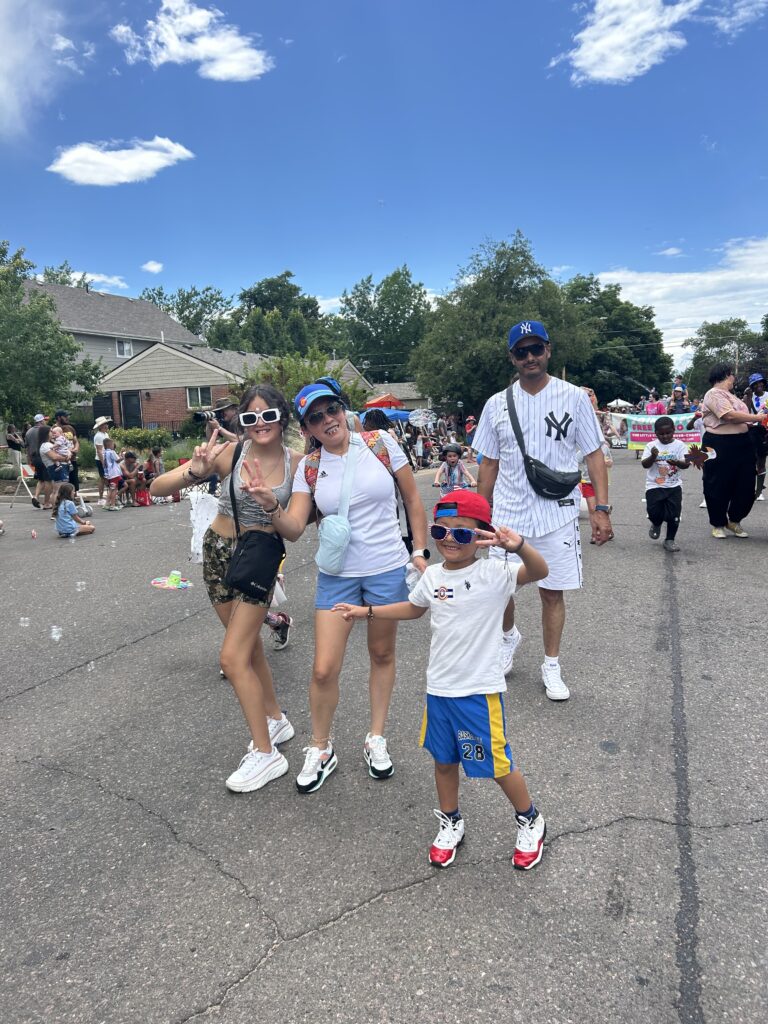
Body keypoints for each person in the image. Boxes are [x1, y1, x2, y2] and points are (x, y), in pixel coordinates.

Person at [333, 490, 549, 869]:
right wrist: (366, 611)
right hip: (439, 690)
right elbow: (414, 609)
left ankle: (530, 818)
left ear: (482, 537)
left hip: (478, 692)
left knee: (497, 764)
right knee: (444, 760)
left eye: (463, 533)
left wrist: (519, 547)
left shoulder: (495, 573)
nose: (450, 539)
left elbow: (539, 572)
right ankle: (451, 820)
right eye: (441, 530)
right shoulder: (432, 575)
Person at [242, 380, 429, 794]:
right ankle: (320, 747)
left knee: (382, 653)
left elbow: (413, 500)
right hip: (338, 577)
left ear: (343, 409)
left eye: (332, 410)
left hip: (387, 569)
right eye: (316, 417)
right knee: (324, 667)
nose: (328, 420)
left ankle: (375, 737)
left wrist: (419, 551)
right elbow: (293, 529)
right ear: (307, 427)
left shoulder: (380, 443)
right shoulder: (310, 467)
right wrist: (271, 504)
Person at [150, 385, 301, 792]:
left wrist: (272, 504)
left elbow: (297, 528)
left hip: (258, 560)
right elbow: (156, 489)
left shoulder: (299, 464)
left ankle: (267, 755)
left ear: (281, 417)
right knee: (248, 649)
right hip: (217, 553)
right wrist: (196, 471)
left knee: (232, 658)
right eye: (250, 418)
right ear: (242, 422)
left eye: (268, 416)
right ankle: (275, 718)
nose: (260, 425)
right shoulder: (230, 455)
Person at [473, 319, 612, 702]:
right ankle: (507, 638)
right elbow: (488, 464)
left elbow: (593, 454)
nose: (530, 357)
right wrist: (479, 516)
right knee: (500, 588)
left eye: (536, 349)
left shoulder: (573, 397)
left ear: (548, 350)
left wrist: (600, 508)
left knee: (552, 593)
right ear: (512, 357)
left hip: (557, 512)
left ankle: (551, 663)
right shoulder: (496, 404)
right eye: (522, 351)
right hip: (508, 513)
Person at [699, 363, 768, 539]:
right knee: (717, 483)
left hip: (742, 443)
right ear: (726, 375)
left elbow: (744, 416)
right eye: (732, 376)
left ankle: (735, 520)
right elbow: (728, 415)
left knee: (746, 483)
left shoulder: (733, 396)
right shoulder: (713, 394)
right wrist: (758, 417)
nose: (734, 379)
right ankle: (718, 523)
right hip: (718, 443)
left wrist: (757, 420)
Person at [640, 417, 692, 552]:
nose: (665, 436)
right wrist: (653, 456)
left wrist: (677, 463)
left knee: (674, 515)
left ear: (673, 431)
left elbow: (686, 464)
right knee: (653, 513)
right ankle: (656, 523)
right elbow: (645, 464)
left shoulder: (680, 445)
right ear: (656, 433)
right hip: (654, 486)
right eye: (661, 434)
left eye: (668, 433)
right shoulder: (651, 446)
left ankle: (670, 539)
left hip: (674, 486)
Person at [744, 372, 768, 501]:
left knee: (761, 460)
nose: (759, 385)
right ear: (751, 386)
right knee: (750, 461)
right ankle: (751, 488)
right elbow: (746, 413)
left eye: (760, 383)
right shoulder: (748, 397)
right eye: (755, 384)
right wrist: (748, 397)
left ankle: (759, 490)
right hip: (752, 431)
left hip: (765, 431)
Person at [38, 425, 70, 510]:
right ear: (46, 433)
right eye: (50, 431)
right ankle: (57, 512)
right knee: (58, 490)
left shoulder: (49, 444)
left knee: (58, 490)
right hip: (56, 468)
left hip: (58, 467)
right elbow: (54, 457)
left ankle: (57, 511)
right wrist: (66, 458)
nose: (52, 433)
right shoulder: (46, 445)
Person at [25, 413, 48, 507]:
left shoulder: (28, 432)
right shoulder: (45, 430)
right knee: (48, 480)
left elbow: (27, 448)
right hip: (45, 457)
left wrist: (29, 460)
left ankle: (36, 497)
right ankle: (47, 502)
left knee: (41, 479)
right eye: (45, 420)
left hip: (35, 458)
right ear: (42, 421)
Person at [92, 416, 113, 505]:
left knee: (107, 478)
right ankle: (100, 498)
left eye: (106, 424)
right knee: (103, 478)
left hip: (107, 458)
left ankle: (107, 496)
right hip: (101, 460)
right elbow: (99, 451)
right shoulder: (99, 436)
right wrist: (103, 462)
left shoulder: (105, 435)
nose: (106, 426)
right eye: (104, 424)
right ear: (100, 426)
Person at [101, 438, 126, 510]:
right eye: (112, 444)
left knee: (111, 489)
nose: (113, 445)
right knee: (114, 489)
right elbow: (117, 460)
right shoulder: (112, 452)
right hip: (114, 473)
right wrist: (123, 457)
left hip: (110, 474)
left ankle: (106, 504)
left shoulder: (105, 452)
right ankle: (112, 505)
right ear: (109, 445)